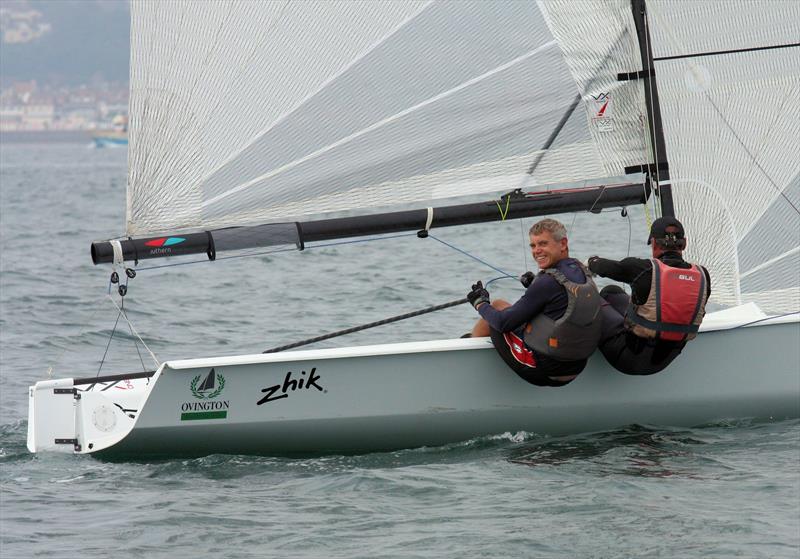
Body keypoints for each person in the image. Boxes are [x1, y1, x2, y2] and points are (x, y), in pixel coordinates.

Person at [467, 218, 602, 387]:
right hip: (577, 366)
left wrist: (480, 303)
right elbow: (559, 301)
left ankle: (468, 355)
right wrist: (534, 284)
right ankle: (471, 339)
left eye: (543, 244)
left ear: (563, 244)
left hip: (546, 372)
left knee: (493, 313)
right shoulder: (580, 270)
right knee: (501, 305)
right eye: (533, 245)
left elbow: (502, 323)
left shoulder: (547, 282)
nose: (537, 251)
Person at [587, 216, 711, 375]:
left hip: (626, 358)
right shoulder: (703, 275)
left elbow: (600, 266)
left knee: (590, 297)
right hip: (662, 363)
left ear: (653, 243)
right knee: (611, 291)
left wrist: (588, 262)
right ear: (685, 243)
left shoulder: (643, 268)